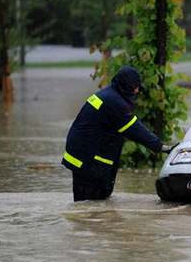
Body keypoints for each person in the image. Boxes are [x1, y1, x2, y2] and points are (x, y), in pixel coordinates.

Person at [62, 65, 169, 201]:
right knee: (89, 206)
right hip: (87, 159)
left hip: (82, 153)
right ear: (126, 86)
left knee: (90, 207)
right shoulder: (115, 102)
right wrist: (161, 147)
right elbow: (136, 130)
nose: (137, 91)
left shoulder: (109, 94)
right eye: (135, 87)